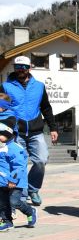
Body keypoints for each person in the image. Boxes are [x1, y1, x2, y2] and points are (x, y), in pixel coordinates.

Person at [0, 56, 58, 206]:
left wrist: (53, 128)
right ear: (14, 68)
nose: (21, 70)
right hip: (15, 133)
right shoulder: (6, 86)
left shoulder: (39, 86)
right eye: (18, 67)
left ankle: (33, 189)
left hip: (36, 131)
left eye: (24, 67)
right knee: (19, 163)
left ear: (29, 67)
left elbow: (46, 108)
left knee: (41, 160)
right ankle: (21, 193)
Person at [0, 122, 37, 231]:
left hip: (16, 182)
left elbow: (19, 166)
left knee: (14, 201)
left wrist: (13, 180)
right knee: (2, 203)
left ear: (7, 135)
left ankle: (30, 211)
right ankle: (7, 221)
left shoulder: (15, 148)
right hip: (2, 181)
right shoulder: (1, 147)